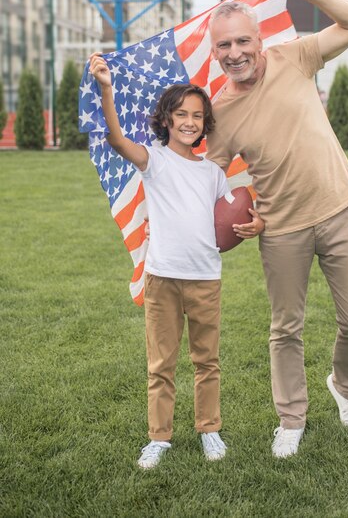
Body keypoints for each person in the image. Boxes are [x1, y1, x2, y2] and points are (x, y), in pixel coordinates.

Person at [206, 0, 348, 458]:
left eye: (242, 41)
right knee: (286, 328)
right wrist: (241, 215)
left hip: (340, 209)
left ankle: (345, 388)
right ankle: (291, 418)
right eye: (224, 45)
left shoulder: (296, 57)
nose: (235, 53)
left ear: (259, 40)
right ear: (215, 52)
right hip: (280, 229)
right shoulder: (221, 112)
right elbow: (207, 178)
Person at [89, 54, 264, 469]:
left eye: (198, 116)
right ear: (165, 119)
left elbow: (234, 218)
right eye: (181, 114)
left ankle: (209, 429)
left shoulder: (212, 173)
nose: (190, 121)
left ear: (206, 125)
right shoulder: (154, 159)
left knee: (207, 361)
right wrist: (107, 89)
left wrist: (256, 226)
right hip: (163, 278)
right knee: (161, 364)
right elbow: (116, 139)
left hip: (205, 278)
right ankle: (159, 437)